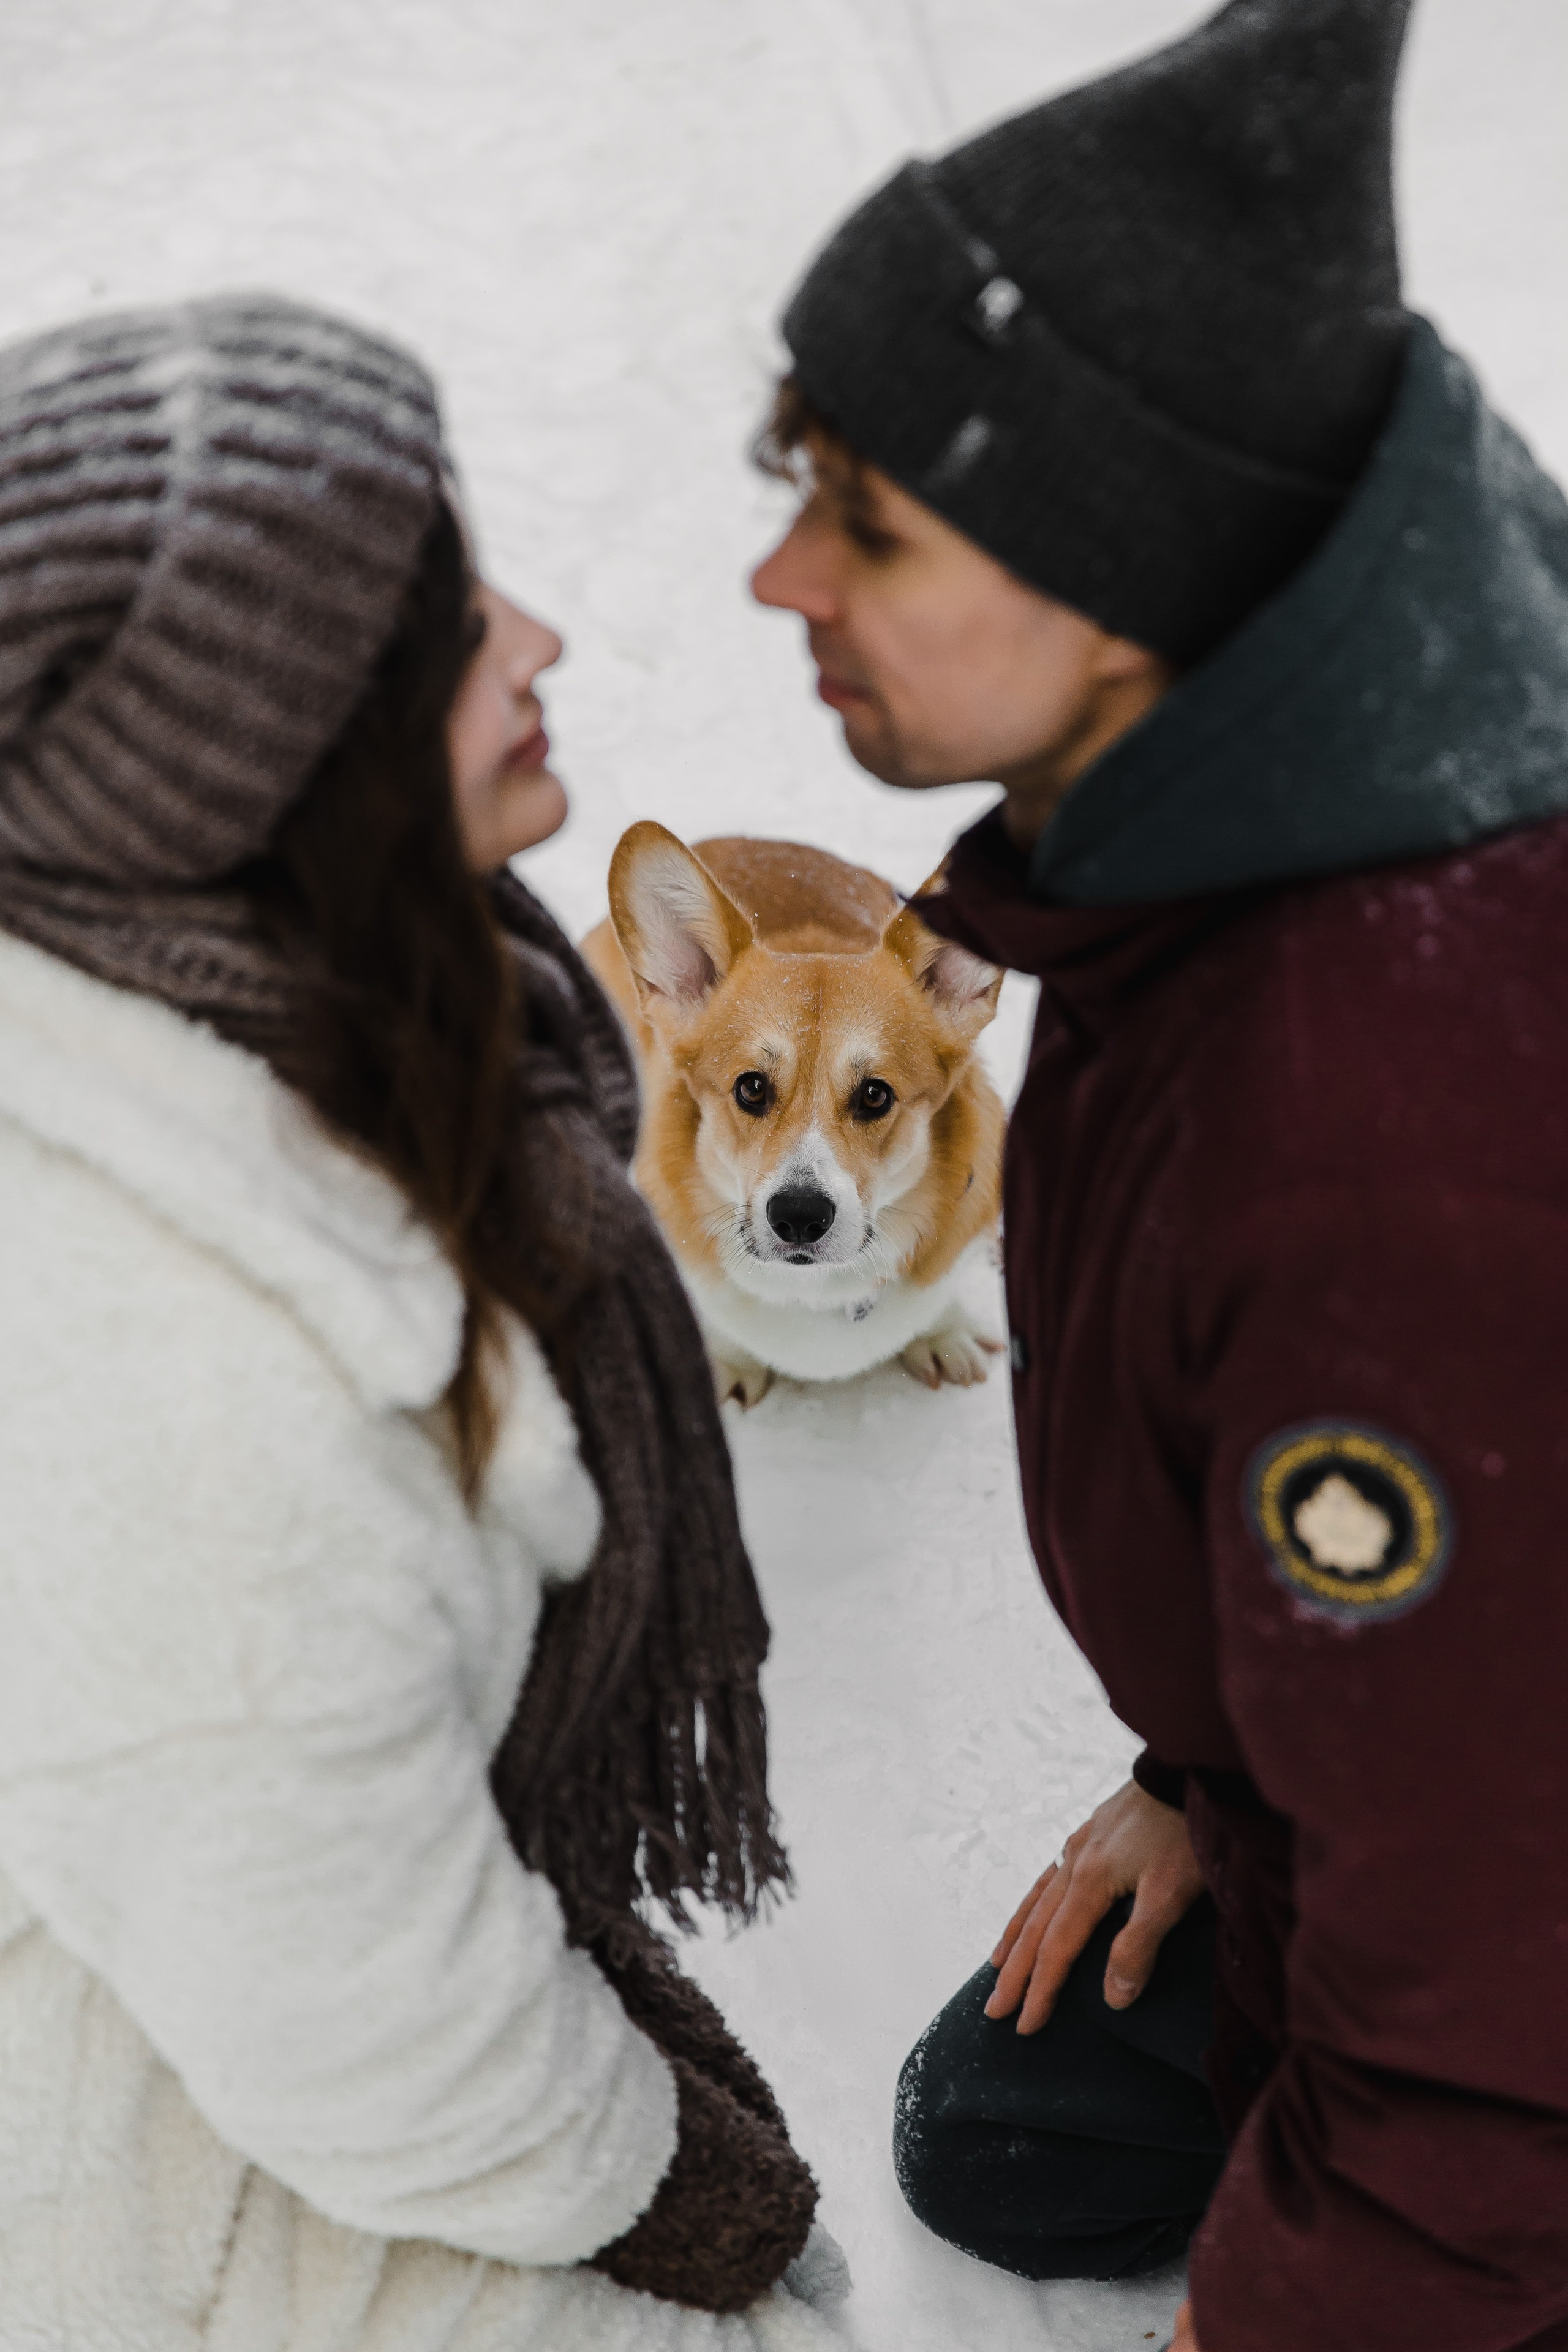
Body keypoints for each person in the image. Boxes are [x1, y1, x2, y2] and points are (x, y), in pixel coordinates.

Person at [751, 1, 1568, 2346]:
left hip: (1518, 1925)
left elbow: (1511, 1950)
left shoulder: (1392, 1161)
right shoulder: (1241, 807)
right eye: (786, 474)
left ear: (1128, 574)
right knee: (1009, 2139)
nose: (780, 581)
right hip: (1418, 1765)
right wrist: (1198, 1775)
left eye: (870, 522)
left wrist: (1295, 2311)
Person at [0, 295, 850, 2351]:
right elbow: (367, 2041)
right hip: (242, 2214)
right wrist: (680, 2191)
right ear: (278, 768)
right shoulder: (195, 1416)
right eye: (453, 632)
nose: (542, 638)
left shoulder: (304, 991)